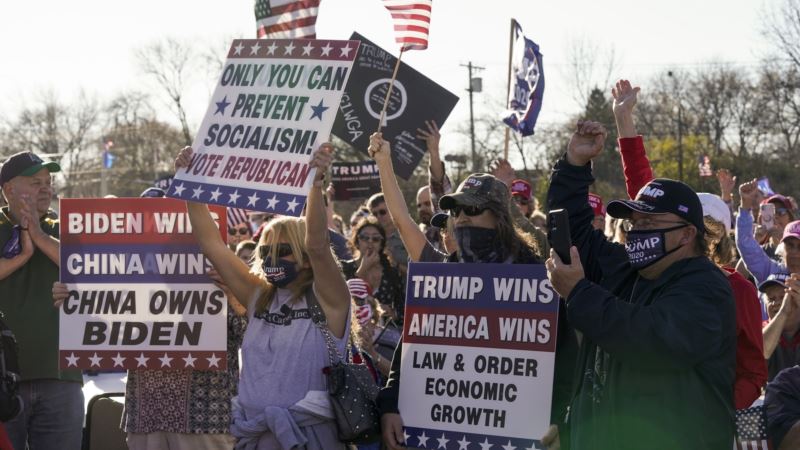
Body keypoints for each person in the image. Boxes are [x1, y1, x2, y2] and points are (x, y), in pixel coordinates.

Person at [366, 132, 577, 450]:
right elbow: (411, 352)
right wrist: (391, 405)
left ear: (500, 217)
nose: (462, 217)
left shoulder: (539, 282)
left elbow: (565, 367)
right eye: (456, 211)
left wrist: (561, 421)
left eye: (473, 210)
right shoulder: (443, 280)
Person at [545, 119, 736, 450]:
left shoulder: (707, 288)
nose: (637, 231)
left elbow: (652, 340)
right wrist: (574, 165)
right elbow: (575, 232)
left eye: (650, 222)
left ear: (687, 234)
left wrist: (578, 293)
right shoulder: (626, 268)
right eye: (634, 222)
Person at [177, 144, 351, 449]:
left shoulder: (330, 298)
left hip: (308, 437)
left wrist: (315, 184)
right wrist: (191, 183)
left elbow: (319, 245)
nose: (272, 259)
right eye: (266, 251)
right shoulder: (259, 294)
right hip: (255, 436)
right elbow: (211, 244)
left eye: (283, 252)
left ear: (305, 258)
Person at [611, 78, 767, 409]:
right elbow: (642, 187)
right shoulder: (654, 271)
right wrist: (624, 121)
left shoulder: (738, 289)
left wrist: (709, 405)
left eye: (709, 226)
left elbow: (753, 372)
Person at [0, 151, 84, 450]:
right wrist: (21, 256)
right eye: (35, 182)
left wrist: (38, 235)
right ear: (9, 189)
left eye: (48, 182)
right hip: (3, 381)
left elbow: (92, 271)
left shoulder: (64, 228)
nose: (46, 188)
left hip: (60, 375)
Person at [342, 217, 405, 322]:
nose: (370, 242)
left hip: (385, 332)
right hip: (354, 329)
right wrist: (363, 269)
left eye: (375, 239)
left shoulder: (391, 273)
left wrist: (393, 313)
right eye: (365, 238)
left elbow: (403, 309)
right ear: (357, 242)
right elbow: (342, 300)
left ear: (381, 244)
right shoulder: (345, 268)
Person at [761, 273, 800, 380]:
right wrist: (783, 312)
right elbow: (761, 352)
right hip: (774, 395)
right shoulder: (761, 330)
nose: (776, 303)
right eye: (771, 298)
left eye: (784, 297)